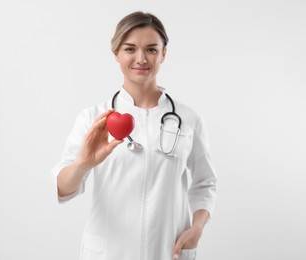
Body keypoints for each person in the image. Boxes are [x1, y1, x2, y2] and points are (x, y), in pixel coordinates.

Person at [51, 11, 217, 260]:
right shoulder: (93, 118)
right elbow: (64, 188)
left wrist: (197, 227)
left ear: (164, 53)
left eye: (151, 49)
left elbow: (205, 182)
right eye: (130, 49)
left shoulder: (188, 119)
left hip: (167, 250)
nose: (141, 59)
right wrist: (83, 164)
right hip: (108, 252)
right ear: (116, 53)